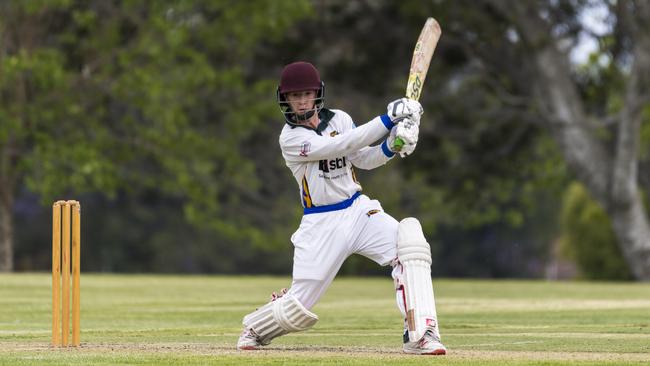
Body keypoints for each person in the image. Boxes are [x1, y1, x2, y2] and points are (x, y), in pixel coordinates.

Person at [236, 61, 446, 355]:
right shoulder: (291, 138)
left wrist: (393, 145)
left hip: (359, 211)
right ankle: (257, 327)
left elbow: (362, 158)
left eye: (306, 94)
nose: (301, 101)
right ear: (285, 99)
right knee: (299, 306)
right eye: (295, 96)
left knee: (409, 244)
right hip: (321, 223)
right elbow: (340, 147)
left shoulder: (340, 119)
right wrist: (388, 119)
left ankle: (421, 333)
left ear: (317, 94)